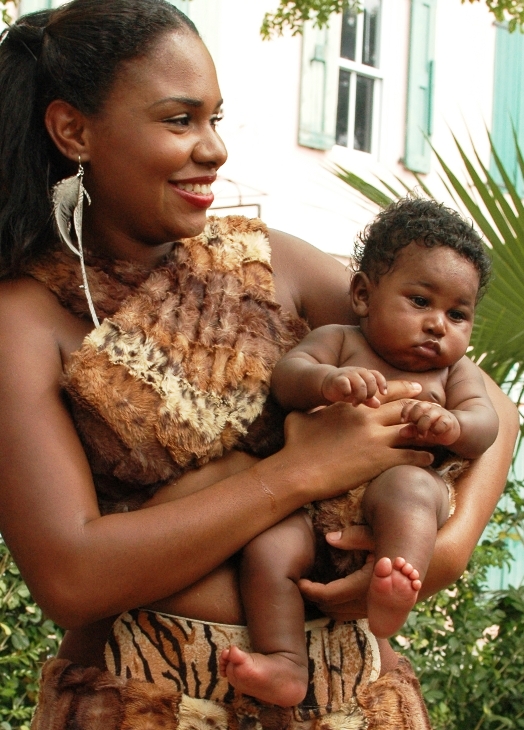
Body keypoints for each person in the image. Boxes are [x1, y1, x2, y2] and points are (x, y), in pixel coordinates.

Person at [0, 2, 517, 729]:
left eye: (215, 119)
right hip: (148, 702)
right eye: (180, 120)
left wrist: (448, 549)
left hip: (354, 703)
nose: (214, 149)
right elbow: (71, 574)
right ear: (74, 130)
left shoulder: (268, 263)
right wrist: (298, 472)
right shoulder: (26, 317)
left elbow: (486, 397)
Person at [218, 197, 499, 706]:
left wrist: (453, 423)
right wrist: (328, 382)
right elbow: (288, 379)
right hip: (312, 504)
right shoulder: (339, 340)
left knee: (410, 489)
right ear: (364, 295)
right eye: (420, 301)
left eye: (458, 314)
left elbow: (487, 425)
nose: (438, 324)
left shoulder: (456, 374)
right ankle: (285, 662)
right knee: (268, 549)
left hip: (398, 488)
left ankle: (391, 594)